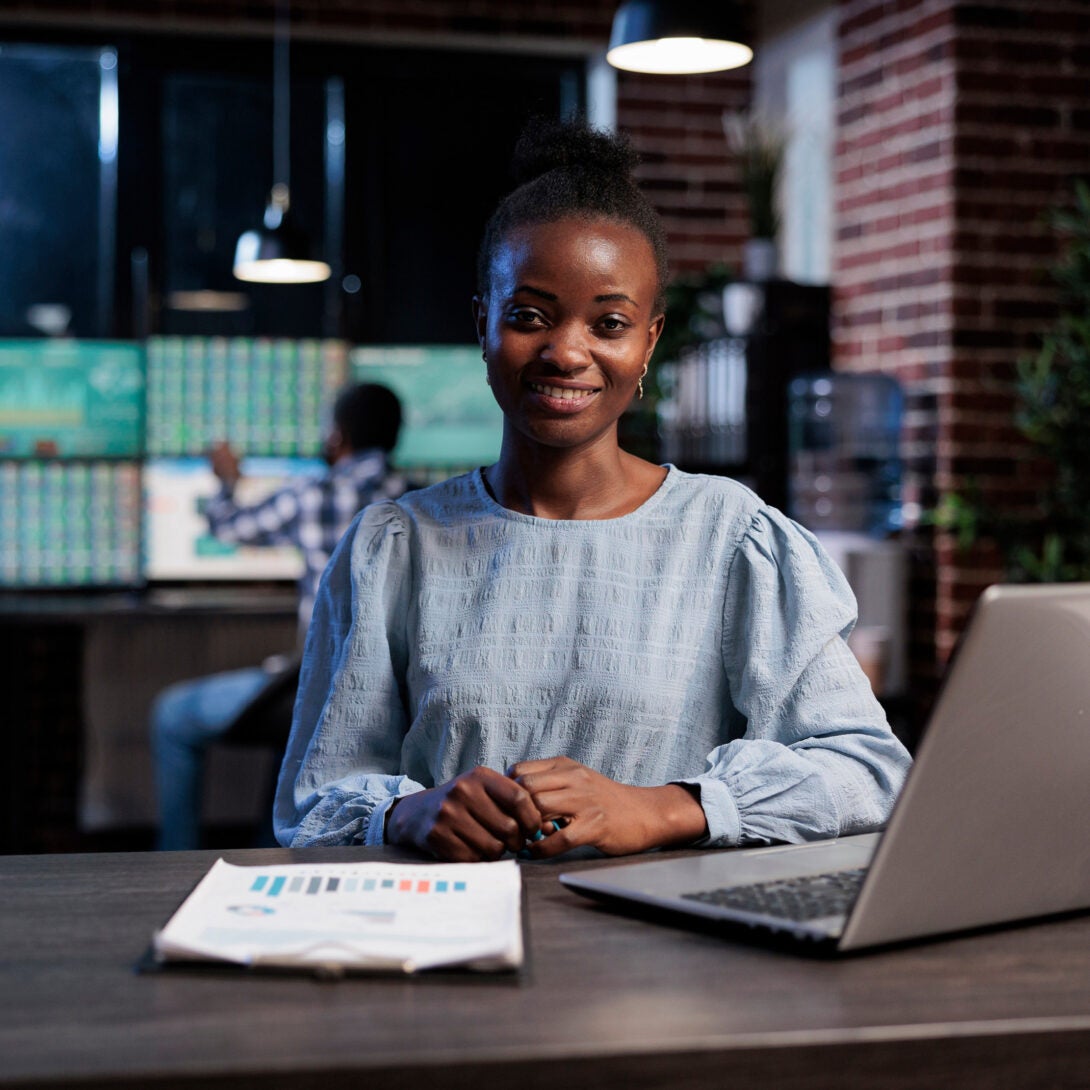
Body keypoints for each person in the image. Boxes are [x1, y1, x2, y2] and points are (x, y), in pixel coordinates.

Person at [274, 119, 912, 862]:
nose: (566, 351)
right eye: (528, 316)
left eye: (609, 322)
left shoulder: (731, 537)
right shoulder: (395, 547)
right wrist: (404, 813)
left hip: (669, 954)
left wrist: (665, 807)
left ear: (648, 343)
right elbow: (313, 802)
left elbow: (867, 771)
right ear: (483, 323)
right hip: (443, 945)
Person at [152, 382, 407, 851]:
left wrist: (227, 481)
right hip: (389, 702)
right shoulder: (419, 499)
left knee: (171, 717)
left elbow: (229, 524)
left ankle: (172, 865)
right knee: (293, 736)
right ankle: (265, 847)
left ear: (337, 436)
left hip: (314, 690)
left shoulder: (312, 493)